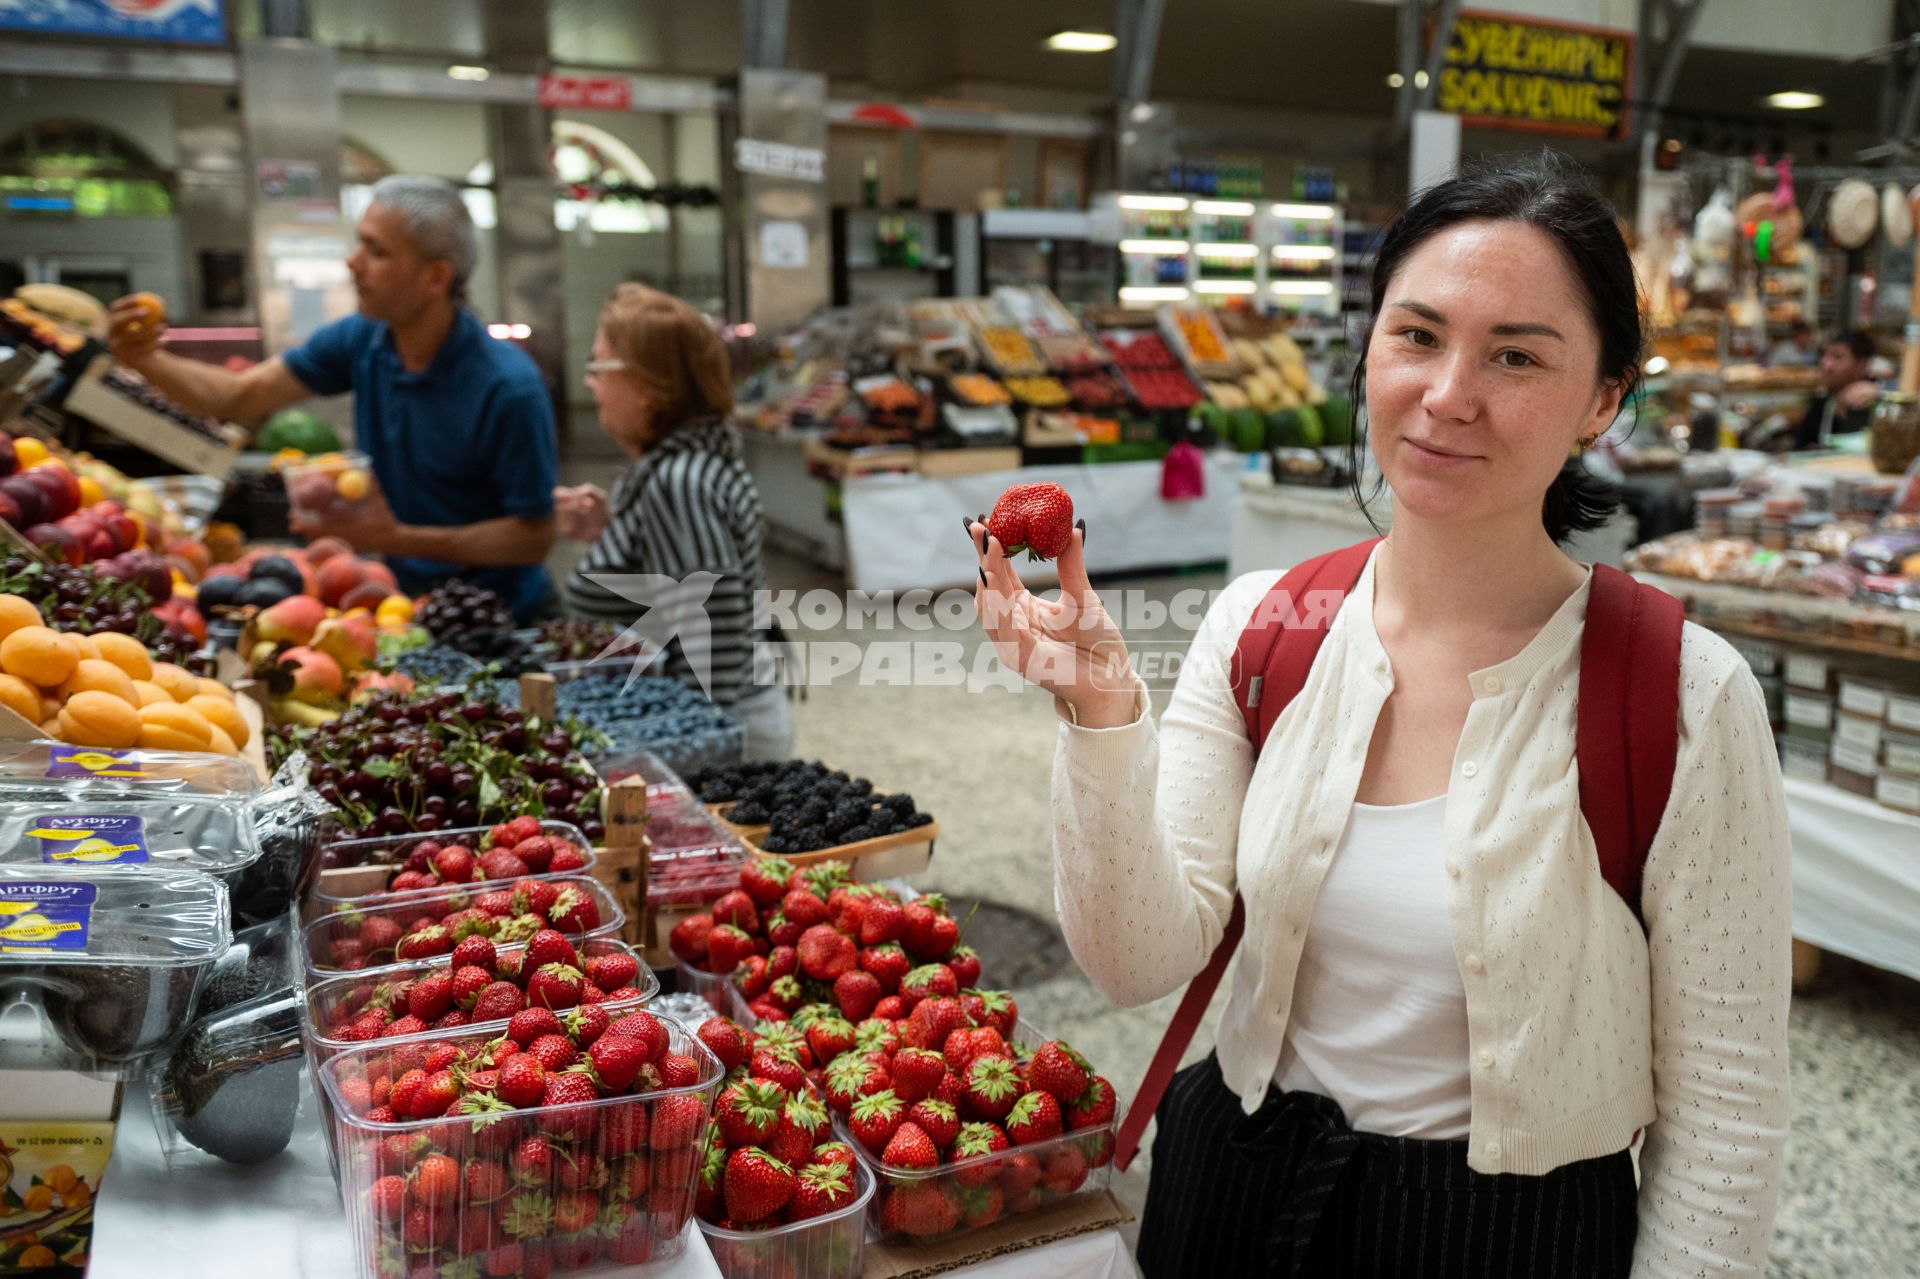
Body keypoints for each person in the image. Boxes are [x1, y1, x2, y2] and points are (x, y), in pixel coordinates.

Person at [972, 155, 1790, 1276]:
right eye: (1417, 335)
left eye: (1515, 355)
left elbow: (1728, 1111)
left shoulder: (1685, 695)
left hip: (1511, 1237)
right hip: (1234, 1194)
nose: (1450, 392)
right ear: (1368, 350)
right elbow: (1136, 958)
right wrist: (1100, 712)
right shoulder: (1265, 627)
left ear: (1604, 399)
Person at [106, 175, 558, 621]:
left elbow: (533, 537)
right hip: (397, 603)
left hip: (498, 618)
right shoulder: (364, 338)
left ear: (435, 276)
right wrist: (145, 358)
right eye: (359, 244)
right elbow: (239, 397)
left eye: (376, 251)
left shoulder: (508, 387)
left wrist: (395, 537)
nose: (352, 262)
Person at [559, 284, 792, 760]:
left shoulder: (676, 482)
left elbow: (712, 623)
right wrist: (618, 532)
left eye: (598, 368)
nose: (589, 383)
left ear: (649, 388)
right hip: (720, 723)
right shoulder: (692, 463)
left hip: (712, 741)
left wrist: (695, 752)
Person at [1792, 329, 1880, 448]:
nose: (1826, 365)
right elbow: (1800, 450)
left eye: (1838, 357)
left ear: (1861, 363)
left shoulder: (1879, 403)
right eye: (1825, 355)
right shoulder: (1821, 403)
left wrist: (1881, 395)